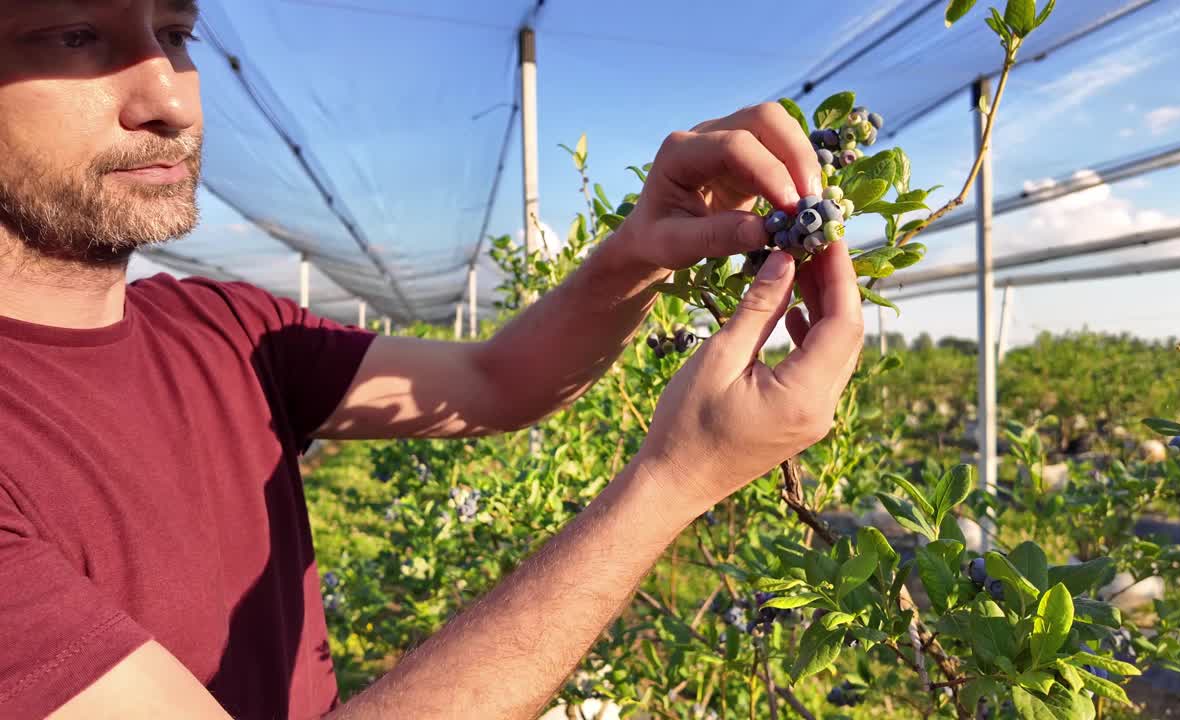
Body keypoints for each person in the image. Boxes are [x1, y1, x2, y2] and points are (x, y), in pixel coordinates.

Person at [0, 1, 864, 718]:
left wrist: (638, 251)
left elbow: (494, 383)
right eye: (77, 34)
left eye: (179, 35)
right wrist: (671, 484)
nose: (174, 100)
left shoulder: (224, 326)